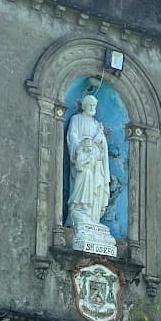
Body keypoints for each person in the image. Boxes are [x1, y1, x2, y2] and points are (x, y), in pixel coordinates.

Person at [66, 92, 114, 240]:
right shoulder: (76, 119)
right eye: (90, 105)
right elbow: (72, 137)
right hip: (83, 163)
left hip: (96, 165)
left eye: (94, 105)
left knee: (96, 191)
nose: (93, 108)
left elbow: (103, 146)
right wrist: (84, 147)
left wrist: (100, 142)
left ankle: (93, 219)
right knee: (82, 185)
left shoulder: (97, 125)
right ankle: (79, 212)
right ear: (84, 106)